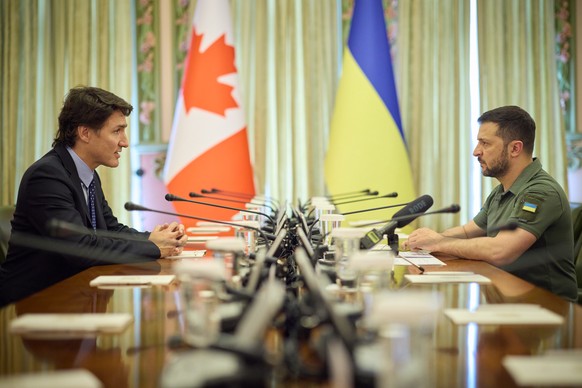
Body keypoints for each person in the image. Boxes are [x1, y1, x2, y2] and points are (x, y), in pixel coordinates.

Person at [0, 86, 188, 307]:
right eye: (117, 131)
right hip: (33, 305)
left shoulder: (88, 175)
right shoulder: (47, 177)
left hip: (75, 297)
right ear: (85, 133)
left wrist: (158, 239)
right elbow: (80, 248)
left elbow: (110, 230)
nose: (125, 142)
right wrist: (154, 247)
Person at [405, 105, 578, 302]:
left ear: (515, 148)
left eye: (485, 143)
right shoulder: (501, 191)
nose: (476, 151)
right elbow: (468, 231)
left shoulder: (541, 192)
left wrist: (438, 242)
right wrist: (425, 240)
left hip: (548, 309)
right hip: (508, 298)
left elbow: (501, 250)